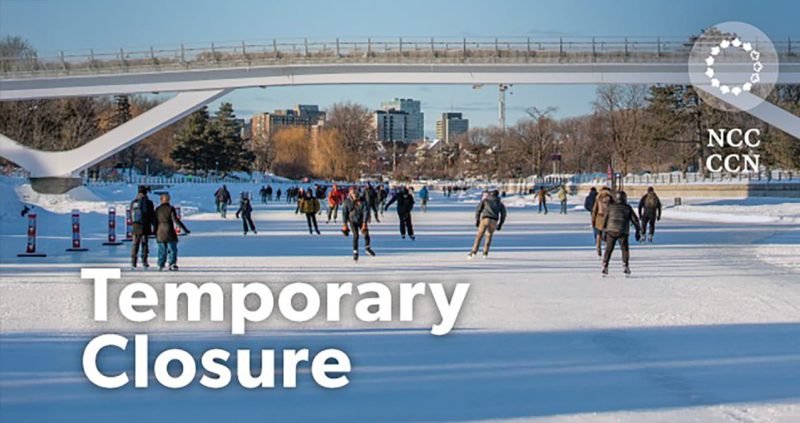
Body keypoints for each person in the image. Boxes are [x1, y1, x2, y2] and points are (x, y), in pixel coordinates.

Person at [602, 191, 642, 276]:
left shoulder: (610, 207)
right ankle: (625, 265)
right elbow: (635, 220)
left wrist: (604, 231)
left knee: (608, 249)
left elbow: (605, 219)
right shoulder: (627, 208)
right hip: (622, 230)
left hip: (611, 230)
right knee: (624, 249)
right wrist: (638, 230)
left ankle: (605, 265)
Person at [154, 193, 190, 271]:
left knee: (161, 249)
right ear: (169, 200)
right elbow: (175, 220)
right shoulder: (171, 208)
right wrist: (184, 229)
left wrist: (154, 232)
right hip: (169, 230)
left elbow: (154, 221)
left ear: (161, 200)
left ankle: (160, 263)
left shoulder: (157, 209)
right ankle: (172, 263)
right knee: (172, 248)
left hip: (160, 231)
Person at [469, 190, 507, 259]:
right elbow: (503, 214)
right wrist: (500, 224)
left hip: (485, 219)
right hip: (494, 221)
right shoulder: (500, 204)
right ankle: (485, 253)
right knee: (489, 236)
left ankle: (473, 252)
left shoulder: (485, 201)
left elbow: (478, 210)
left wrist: (477, 220)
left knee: (479, 236)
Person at [342, 186, 375, 261]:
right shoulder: (347, 201)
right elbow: (344, 213)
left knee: (366, 233)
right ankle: (355, 252)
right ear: (350, 193)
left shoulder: (362, 200)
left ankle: (367, 248)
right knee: (356, 235)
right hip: (352, 221)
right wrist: (344, 224)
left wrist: (364, 223)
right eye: (353, 192)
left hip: (361, 220)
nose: (355, 194)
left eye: (356, 192)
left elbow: (366, 211)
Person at [130, 185, 156, 269]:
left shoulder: (134, 202)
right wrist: (154, 226)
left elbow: (131, 214)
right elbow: (152, 216)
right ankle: (144, 261)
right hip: (145, 226)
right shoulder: (149, 203)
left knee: (135, 244)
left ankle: (133, 262)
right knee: (144, 244)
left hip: (136, 225)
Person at [591, 186, 613, 258]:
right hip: (608, 218)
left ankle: (598, 247)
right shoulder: (611, 199)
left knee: (598, 234)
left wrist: (593, 220)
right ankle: (607, 249)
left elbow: (595, 210)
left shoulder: (598, 198)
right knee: (608, 234)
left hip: (599, 218)